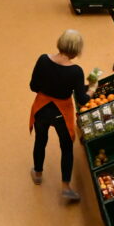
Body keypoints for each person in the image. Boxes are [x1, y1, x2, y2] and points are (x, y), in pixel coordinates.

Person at [29, 29, 96, 203]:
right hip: (61, 114)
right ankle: (66, 187)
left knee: (40, 140)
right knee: (66, 148)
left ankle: (37, 173)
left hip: (41, 109)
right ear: (77, 50)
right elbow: (81, 99)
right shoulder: (76, 71)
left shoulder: (43, 60)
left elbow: (33, 86)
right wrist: (92, 90)